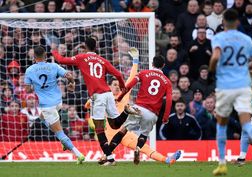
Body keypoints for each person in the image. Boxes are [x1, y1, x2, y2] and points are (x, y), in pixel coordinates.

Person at [51, 37, 139, 165]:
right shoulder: (102, 60)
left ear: (85, 47)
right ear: (95, 47)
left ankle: (110, 159)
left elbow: (61, 60)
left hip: (97, 96)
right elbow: (119, 75)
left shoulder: (81, 57)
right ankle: (125, 112)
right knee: (115, 125)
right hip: (108, 94)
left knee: (99, 129)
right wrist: (122, 86)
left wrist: (53, 51)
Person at [84, 56, 180, 165]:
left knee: (145, 148)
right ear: (109, 86)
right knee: (108, 154)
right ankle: (106, 158)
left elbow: (131, 79)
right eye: (114, 85)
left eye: (118, 85)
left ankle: (166, 159)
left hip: (124, 132)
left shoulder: (123, 96)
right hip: (109, 133)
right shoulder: (104, 97)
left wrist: (135, 62)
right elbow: (87, 106)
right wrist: (91, 101)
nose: (117, 87)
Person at [208, 9, 252, 176]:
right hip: (243, 85)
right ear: (238, 23)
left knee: (221, 124)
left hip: (225, 86)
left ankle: (221, 164)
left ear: (224, 22)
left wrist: (212, 69)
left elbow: (215, 57)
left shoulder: (219, 38)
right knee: (246, 123)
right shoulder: (246, 39)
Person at [108, 50, 173, 165]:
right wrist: (165, 117)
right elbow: (168, 100)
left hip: (138, 108)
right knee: (144, 134)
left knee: (123, 130)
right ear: (163, 65)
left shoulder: (143, 73)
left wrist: (120, 97)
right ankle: (138, 148)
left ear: (152, 64)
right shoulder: (167, 82)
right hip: (152, 114)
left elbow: (129, 86)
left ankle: (107, 154)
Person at [24, 46, 85, 164]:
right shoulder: (54, 66)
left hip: (47, 105)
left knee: (59, 132)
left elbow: (27, 90)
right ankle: (64, 141)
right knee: (41, 117)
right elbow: (69, 76)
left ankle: (78, 154)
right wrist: (72, 83)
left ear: (34, 57)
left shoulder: (30, 70)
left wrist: (36, 86)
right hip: (58, 102)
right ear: (45, 55)